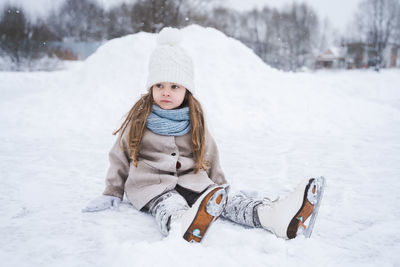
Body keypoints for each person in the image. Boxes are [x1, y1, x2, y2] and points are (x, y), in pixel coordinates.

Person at [82, 27, 325, 242]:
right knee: (168, 203)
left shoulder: (195, 120)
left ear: (187, 90)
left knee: (227, 203)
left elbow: (210, 154)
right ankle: (181, 223)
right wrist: (112, 192)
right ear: (151, 87)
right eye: (159, 85)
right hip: (151, 187)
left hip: (194, 182)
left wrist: (221, 189)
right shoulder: (139, 121)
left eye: (174, 86)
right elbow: (119, 156)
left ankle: (274, 217)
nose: (165, 92)